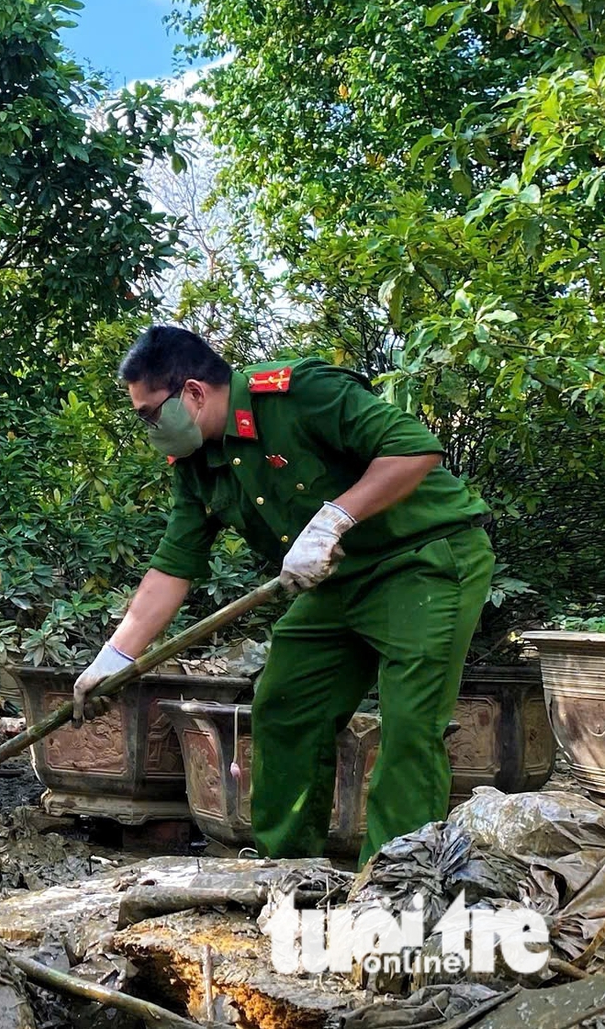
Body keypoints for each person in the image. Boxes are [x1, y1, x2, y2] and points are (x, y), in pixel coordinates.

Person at [75, 326, 492, 864]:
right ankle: (288, 869)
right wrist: (114, 658)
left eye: (151, 414)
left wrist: (335, 518)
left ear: (194, 393)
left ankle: (397, 883)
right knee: (284, 706)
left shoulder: (300, 395)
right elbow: (173, 567)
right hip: (337, 580)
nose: (151, 429)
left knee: (411, 724)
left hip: (425, 560)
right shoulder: (199, 463)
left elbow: (414, 452)